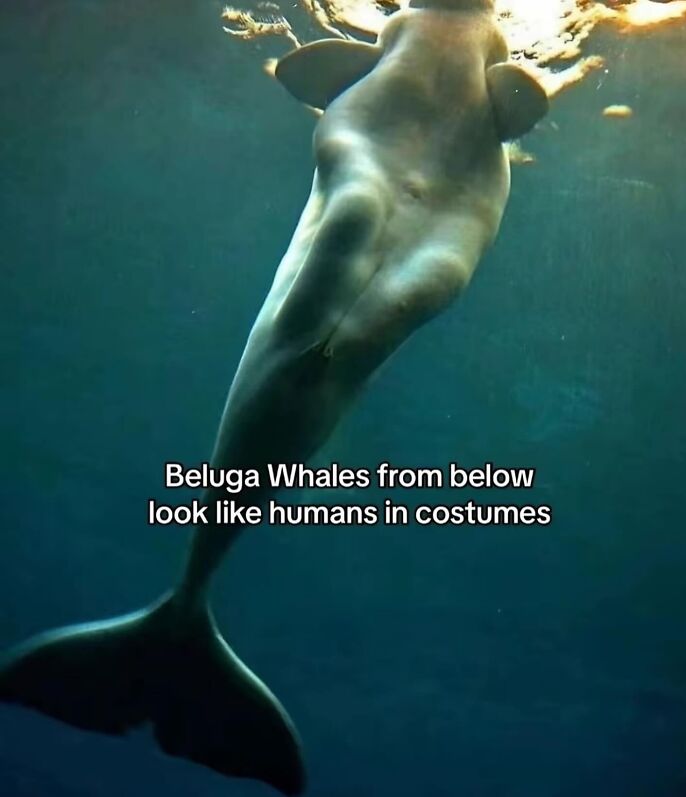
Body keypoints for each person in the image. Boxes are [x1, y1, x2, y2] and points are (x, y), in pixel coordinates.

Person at [0, 1, 548, 794]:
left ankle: (186, 610)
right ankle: (185, 606)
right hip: (385, 168)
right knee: (348, 236)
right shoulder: (417, 33)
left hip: (450, 203)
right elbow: (507, 102)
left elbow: (316, 75)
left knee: (383, 308)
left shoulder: (486, 47)